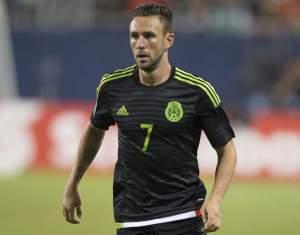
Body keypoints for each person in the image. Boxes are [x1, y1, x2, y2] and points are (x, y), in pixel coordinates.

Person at [62, 4, 237, 235]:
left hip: (183, 215)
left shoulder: (196, 91)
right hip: (133, 219)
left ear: (168, 40)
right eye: (134, 36)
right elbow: (94, 130)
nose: (140, 44)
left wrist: (215, 200)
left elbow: (227, 150)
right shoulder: (112, 88)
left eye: (149, 36)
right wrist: (73, 182)